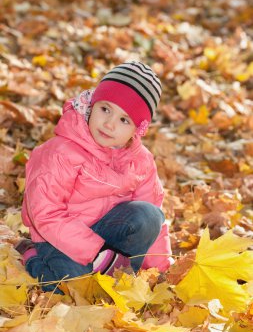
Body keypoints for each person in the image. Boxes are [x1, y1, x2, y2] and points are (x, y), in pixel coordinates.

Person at [16, 61, 173, 292]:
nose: (109, 124)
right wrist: (96, 251)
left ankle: (122, 278)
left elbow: (154, 222)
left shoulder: (140, 161)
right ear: (92, 104)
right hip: (57, 238)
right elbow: (45, 213)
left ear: (137, 130)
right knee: (76, 284)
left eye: (124, 120)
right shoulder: (60, 152)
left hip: (109, 234)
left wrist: (161, 271)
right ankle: (33, 258)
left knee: (147, 215)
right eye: (105, 109)